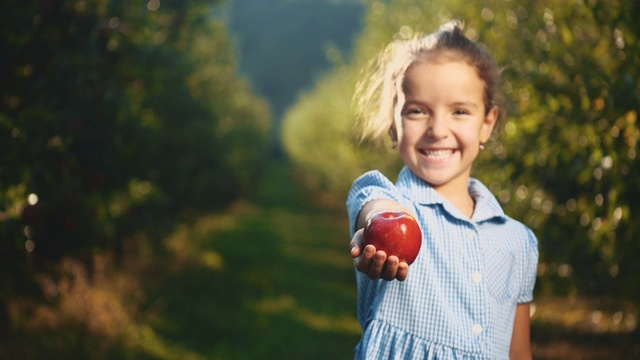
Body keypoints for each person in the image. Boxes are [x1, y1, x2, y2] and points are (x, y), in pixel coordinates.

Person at [347, 21, 538, 359]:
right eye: (418, 111)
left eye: (460, 111)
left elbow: (518, 353)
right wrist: (380, 228)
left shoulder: (517, 242)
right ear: (393, 125)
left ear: (487, 124)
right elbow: (374, 205)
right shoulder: (387, 197)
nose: (437, 130)